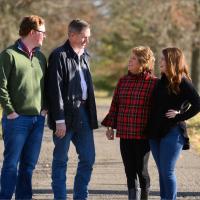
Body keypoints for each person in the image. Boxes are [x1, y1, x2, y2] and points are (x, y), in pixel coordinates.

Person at [46, 19, 98, 200]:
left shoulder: (85, 56)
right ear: (72, 35)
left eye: (88, 37)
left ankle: (80, 196)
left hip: (84, 113)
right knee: (61, 160)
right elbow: (55, 90)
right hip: (64, 116)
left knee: (88, 158)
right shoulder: (58, 55)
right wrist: (59, 120)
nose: (87, 41)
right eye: (84, 37)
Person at [0, 15, 47, 200]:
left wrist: (44, 109)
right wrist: (10, 112)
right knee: (11, 164)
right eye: (43, 32)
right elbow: (1, 87)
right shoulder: (8, 55)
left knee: (29, 165)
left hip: (37, 119)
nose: (45, 36)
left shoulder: (40, 57)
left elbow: (46, 86)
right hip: (16, 120)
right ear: (33, 32)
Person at [101, 46, 158, 200]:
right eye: (130, 58)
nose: (129, 61)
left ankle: (145, 197)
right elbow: (115, 105)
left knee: (142, 170)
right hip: (125, 132)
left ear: (143, 62)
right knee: (129, 170)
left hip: (143, 135)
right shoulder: (123, 81)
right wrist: (110, 126)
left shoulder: (154, 83)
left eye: (133, 59)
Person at [145, 47, 200, 200]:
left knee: (167, 171)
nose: (160, 62)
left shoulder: (182, 81)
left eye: (162, 59)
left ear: (171, 61)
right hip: (155, 132)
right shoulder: (161, 81)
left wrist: (180, 115)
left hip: (173, 132)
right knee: (162, 171)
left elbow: (197, 103)